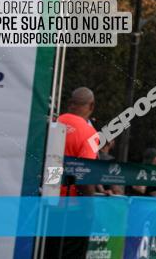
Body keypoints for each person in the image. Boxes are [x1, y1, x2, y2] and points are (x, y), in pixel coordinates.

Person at [45, 87, 98, 259]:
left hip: (46, 204)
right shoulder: (89, 133)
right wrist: (89, 209)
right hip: (72, 208)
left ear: (70, 104)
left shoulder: (53, 123)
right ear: (91, 106)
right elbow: (84, 175)